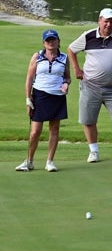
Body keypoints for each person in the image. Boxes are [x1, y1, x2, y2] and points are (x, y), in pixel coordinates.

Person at [67, 8, 112, 163]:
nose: (108, 24)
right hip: (90, 86)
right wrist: (77, 69)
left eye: (111, 21)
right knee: (89, 121)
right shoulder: (88, 36)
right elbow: (71, 50)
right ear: (99, 21)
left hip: (111, 87)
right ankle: (93, 152)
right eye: (106, 21)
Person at [16, 29, 71, 172]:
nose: (51, 42)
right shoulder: (37, 56)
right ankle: (29, 161)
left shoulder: (64, 58)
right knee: (35, 131)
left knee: (54, 129)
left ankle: (50, 161)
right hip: (40, 95)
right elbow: (29, 78)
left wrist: (66, 84)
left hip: (57, 96)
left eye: (53, 40)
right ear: (43, 43)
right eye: (48, 40)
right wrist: (28, 98)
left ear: (59, 42)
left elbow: (67, 77)